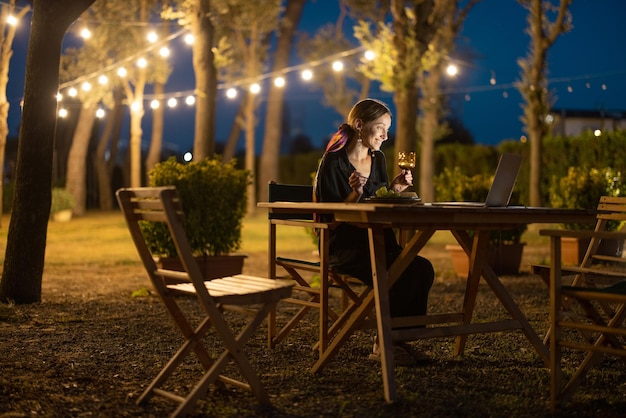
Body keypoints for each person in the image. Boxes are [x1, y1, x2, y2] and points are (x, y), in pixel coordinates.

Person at [313, 98, 435, 365]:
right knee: (394, 271)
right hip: (345, 245)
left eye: (387, 129)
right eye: (380, 127)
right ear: (359, 125)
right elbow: (331, 216)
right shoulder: (332, 162)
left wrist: (394, 189)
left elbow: (376, 201)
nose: (385, 135)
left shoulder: (378, 159)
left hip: (379, 239)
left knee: (420, 268)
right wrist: (354, 193)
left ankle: (398, 341)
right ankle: (383, 345)